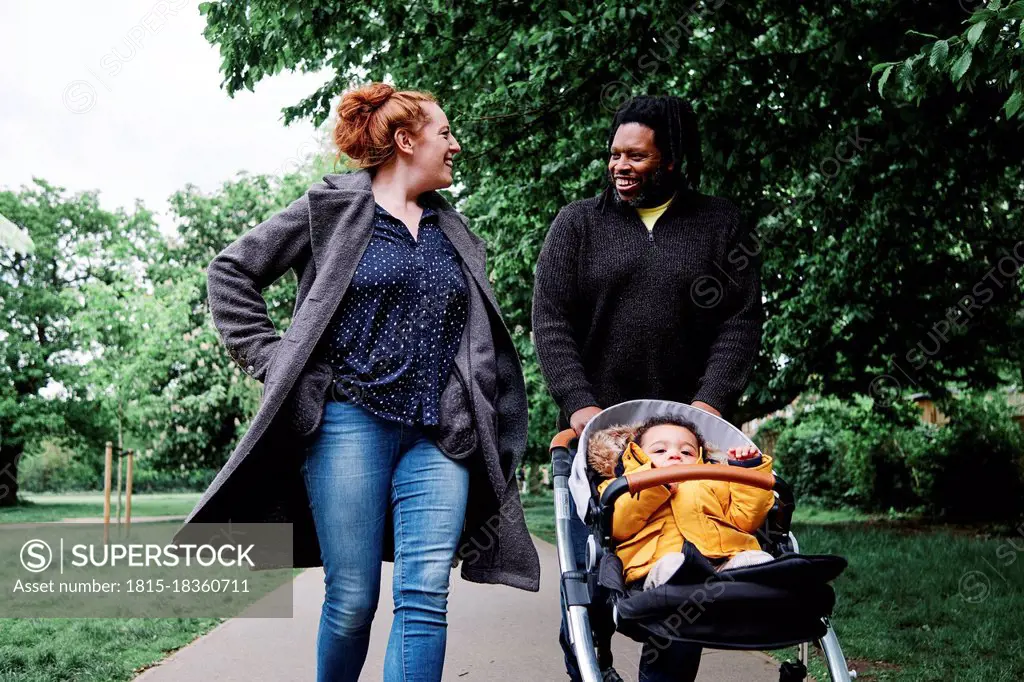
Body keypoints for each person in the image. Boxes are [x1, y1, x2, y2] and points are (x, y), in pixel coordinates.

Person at [190, 82, 540, 682]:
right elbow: (230, 273)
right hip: (349, 424)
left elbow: (476, 338)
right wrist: (276, 363)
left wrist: (475, 396)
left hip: (440, 437)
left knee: (426, 595)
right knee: (353, 601)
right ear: (406, 141)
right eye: (445, 133)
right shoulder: (329, 210)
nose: (456, 145)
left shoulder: (452, 233)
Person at [532, 95, 763, 681]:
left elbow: (738, 323)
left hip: (684, 435)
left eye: (636, 155)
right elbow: (551, 319)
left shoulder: (720, 224)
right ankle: (594, 668)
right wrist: (581, 405)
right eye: (614, 155)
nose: (620, 166)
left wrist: (709, 406)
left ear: (672, 158)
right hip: (599, 432)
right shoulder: (578, 225)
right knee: (590, 569)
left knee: (682, 564)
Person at [589, 416, 775, 593]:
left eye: (686, 452)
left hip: (725, 563)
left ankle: (758, 600)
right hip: (657, 566)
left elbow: (746, 520)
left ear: (700, 458)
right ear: (637, 456)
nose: (675, 455)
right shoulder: (623, 486)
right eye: (660, 451)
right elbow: (618, 526)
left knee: (758, 560)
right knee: (673, 565)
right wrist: (652, 484)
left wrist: (747, 471)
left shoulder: (716, 479)